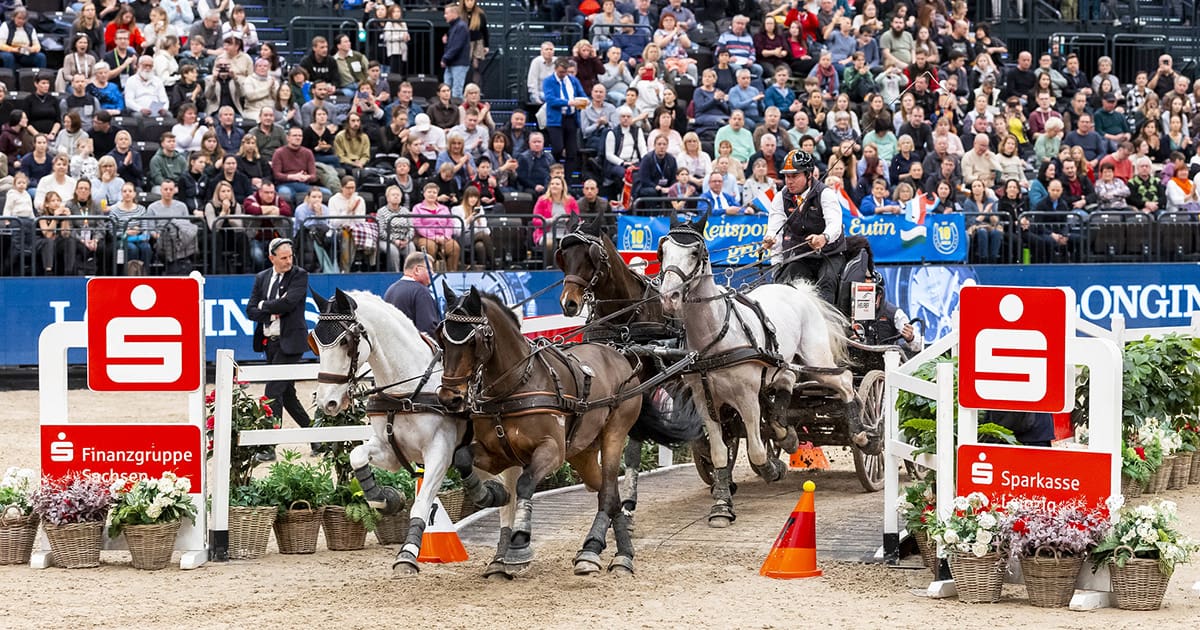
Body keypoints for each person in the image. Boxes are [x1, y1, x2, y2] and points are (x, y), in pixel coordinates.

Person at [246, 237, 316, 459]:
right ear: (272, 258)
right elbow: (250, 310)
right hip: (270, 343)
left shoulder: (299, 275)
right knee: (287, 395)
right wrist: (270, 309)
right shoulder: (262, 277)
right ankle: (320, 438)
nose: (288, 261)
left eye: (290, 256)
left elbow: (289, 303)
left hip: (291, 342)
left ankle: (269, 447)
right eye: (283, 257)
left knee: (272, 392)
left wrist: (263, 306)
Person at [763, 150, 845, 304]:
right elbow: (774, 231)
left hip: (829, 254)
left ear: (809, 175)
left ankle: (828, 324)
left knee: (827, 282)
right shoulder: (781, 197)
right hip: (801, 256)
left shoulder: (825, 194)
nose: (789, 181)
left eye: (794, 176)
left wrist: (824, 237)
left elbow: (835, 224)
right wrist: (776, 263)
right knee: (786, 283)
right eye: (787, 176)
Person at [543, 57, 588, 176]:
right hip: (556, 120)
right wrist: (568, 102)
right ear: (555, 69)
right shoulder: (548, 81)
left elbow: (582, 94)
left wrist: (584, 101)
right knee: (557, 148)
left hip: (571, 118)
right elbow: (550, 100)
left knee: (572, 151)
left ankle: (568, 179)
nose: (563, 74)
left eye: (565, 72)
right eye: (560, 72)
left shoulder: (573, 80)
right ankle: (554, 173)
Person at [384, 251, 439, 336]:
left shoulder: (390, 290)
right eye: (429, 269)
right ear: (417, 270)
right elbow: (428, 329)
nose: (432, 273)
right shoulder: (421, 291)